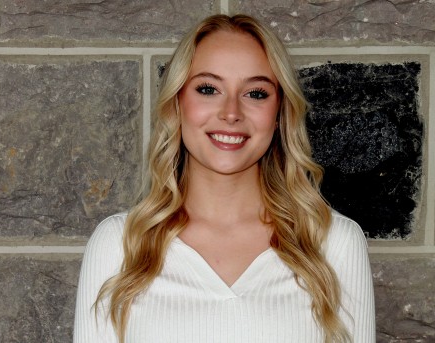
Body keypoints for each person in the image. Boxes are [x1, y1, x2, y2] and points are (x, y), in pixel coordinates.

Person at [74, 14, 375, 343]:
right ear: (177, 103)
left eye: (256, 93)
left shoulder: (334, 244)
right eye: (208, 89)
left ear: (279, 114)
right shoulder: (120, 245)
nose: (231, 112)